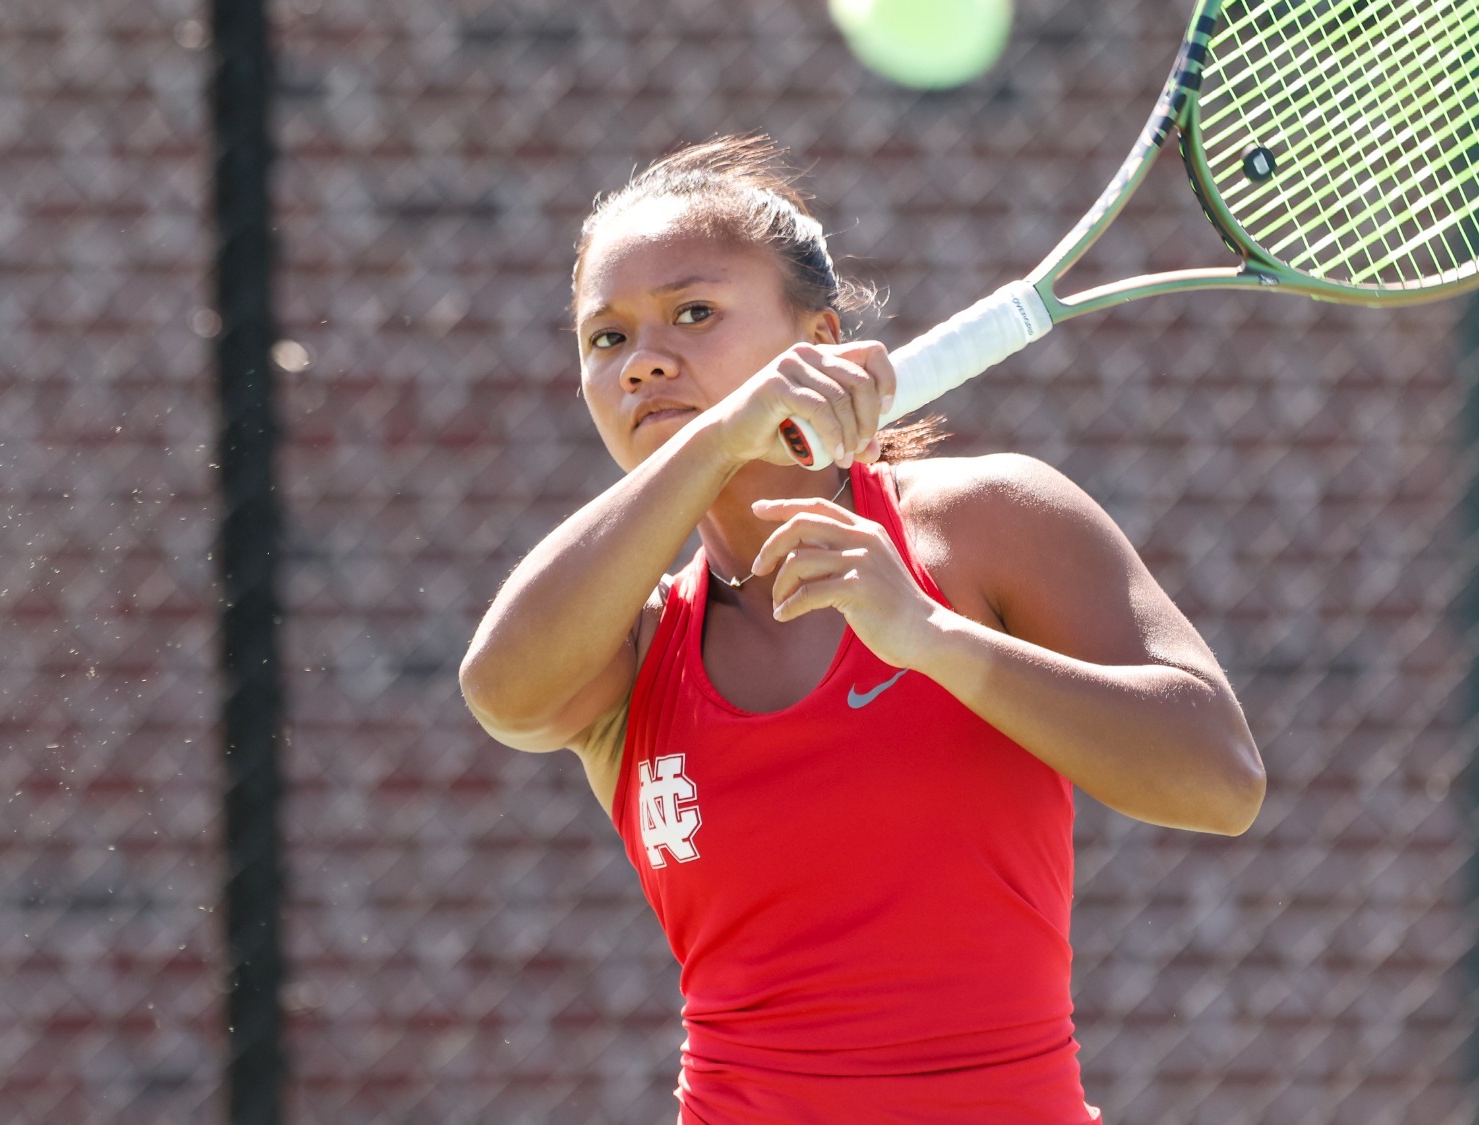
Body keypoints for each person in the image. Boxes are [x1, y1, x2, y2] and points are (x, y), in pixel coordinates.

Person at [458, 135, 1263, 1123]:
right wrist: (716, 434)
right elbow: (499, 693)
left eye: (693, 313)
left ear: (820, 342)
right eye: (606, 339)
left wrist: (930, 636)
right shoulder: (625, 645)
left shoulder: (984, 523)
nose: (641, 362)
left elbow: (1219, 782)